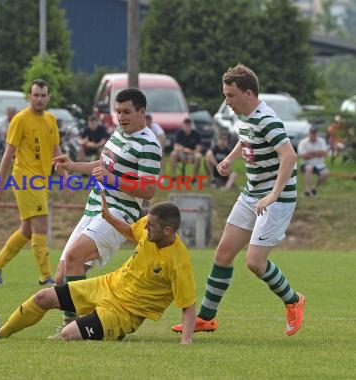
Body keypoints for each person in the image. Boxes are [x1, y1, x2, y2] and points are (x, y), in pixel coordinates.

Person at [171, 63, 305, 337]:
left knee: (254, 262)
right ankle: (206, 318)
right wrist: (230, 159)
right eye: (225, 95)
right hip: (252, 193)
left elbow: (289, 156)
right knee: (223, 254)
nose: (227, 101)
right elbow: (246, 140)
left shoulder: (267, 119)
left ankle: (294, 300)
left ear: (249, 93)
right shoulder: (245, 116)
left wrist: (274, 194)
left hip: (274, 198)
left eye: (230, 96)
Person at [0, 193, 196, 344]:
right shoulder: (148, 226)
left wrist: (185, 343)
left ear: (168, 231)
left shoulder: (179, 262)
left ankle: (109, 329)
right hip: (107, 285)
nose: (145, 227)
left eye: (151, 226)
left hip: (125, 312)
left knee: (68, 335)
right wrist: (108, 217)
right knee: (42, 297)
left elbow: (188, 306)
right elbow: (131, 232)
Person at [51, 88, 162, 331]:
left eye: (126, 112)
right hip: (94, 209)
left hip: (117, 215)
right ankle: (101, 316)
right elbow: (103, 165)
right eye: (118, 112)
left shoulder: (149, 145)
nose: (121, 117)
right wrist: (72, 164)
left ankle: (72, 327)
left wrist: (112, 180)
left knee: (74, 258)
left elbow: (148, 190)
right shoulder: (119, 134)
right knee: (61, 277)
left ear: (141, 111)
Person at [0, 79, 68, 285]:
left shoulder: (51, 120)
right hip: (25, 179)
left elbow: (56, 150)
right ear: (29, 97)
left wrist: (65, 176)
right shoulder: (20, 120)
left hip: (42, 180)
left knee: (27, 230)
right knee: (41, 227)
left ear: (48, 97)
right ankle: (46, 277)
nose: (39, 99)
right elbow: (8, 153)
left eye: (43, 95)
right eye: (36, 95)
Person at [297, 126, 329, 197]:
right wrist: (318, 153)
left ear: (317, 134)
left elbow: (324, 153)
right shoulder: (303, 142)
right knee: (309, 168)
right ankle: (307, 191)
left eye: (315, 133)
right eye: (312, 133)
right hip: (306, 164)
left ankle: (314, 188)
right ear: (309, 133)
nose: (313, 135)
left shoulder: (322, 141)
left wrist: (311, 153)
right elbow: (304, 156)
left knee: (326, 173)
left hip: (320, 164)